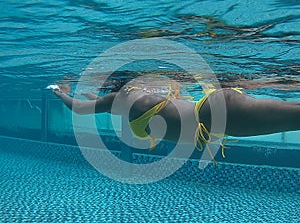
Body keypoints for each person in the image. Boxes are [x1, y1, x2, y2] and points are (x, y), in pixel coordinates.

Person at [52, 78, 300, 162]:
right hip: (219, 112)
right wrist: (93, 96)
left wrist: (60, 92)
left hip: (219, 117)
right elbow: (103, 106)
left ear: (119, 88)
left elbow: (80, 109)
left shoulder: (124, 99)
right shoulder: (132, 99)